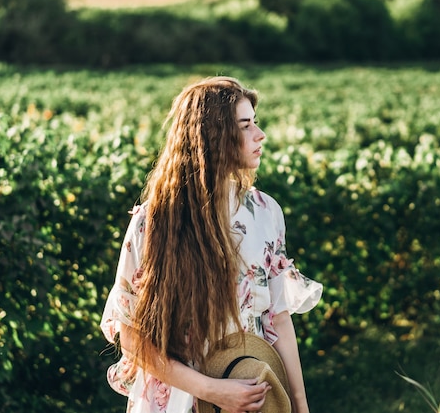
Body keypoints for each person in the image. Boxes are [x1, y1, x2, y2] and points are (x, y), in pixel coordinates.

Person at [100, 76, 323, 413]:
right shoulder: (155, 222)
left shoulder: (265, 213)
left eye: (256, 124)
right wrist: (213, 391)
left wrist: (300, 404)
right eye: (245, 126)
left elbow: (278, 319)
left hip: (251, 394)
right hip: (178, 398)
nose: (260, 135)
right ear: (213, 136)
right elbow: (130, 335)